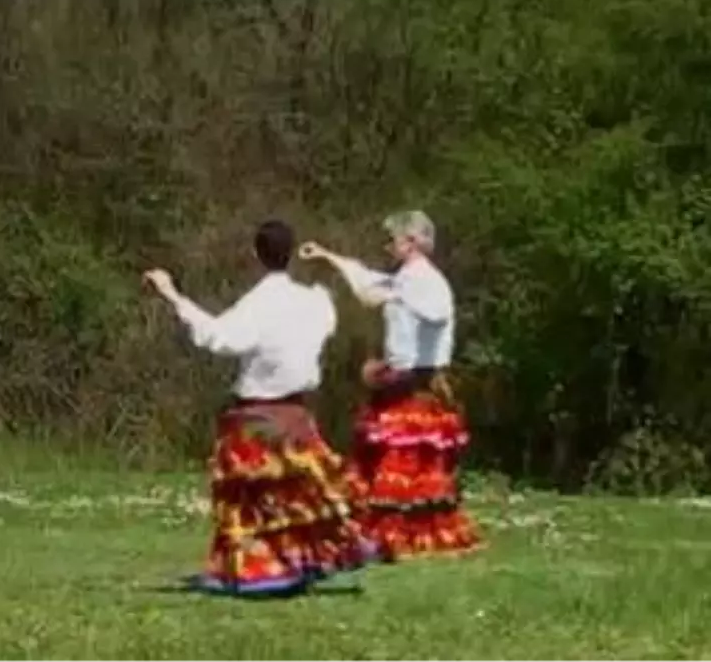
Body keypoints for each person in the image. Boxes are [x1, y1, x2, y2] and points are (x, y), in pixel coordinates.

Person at [142, 220, 375, 596]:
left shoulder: (258, 304)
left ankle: (261, 571)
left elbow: (217, 337)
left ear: (255, 254)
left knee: (249, 501)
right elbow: (327, 319)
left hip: (256, 417)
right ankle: (297, 565)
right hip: (297, 417)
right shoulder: (314, 301)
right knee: (300, 496)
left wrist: (172, 295)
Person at [299, 210, 482, 560]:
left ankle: (401, 540)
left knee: (402, 465)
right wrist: (328, 256)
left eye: (394, 240)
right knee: (399, 465)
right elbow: (371, 283)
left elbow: (426, 318)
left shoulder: (422, 282)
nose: (388, 246)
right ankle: (398, 539)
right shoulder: (407, 280)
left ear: (411, 242)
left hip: (413, 384)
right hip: (408, 380)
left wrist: (385, 366)